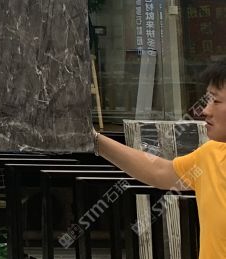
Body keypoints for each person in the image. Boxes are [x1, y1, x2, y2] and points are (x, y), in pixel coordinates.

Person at [93, 59, 226, 259]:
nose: (205, 110)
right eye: (207, 100)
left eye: (216, 101)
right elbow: (159, 171)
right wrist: (95, 141)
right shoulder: (211, 154)